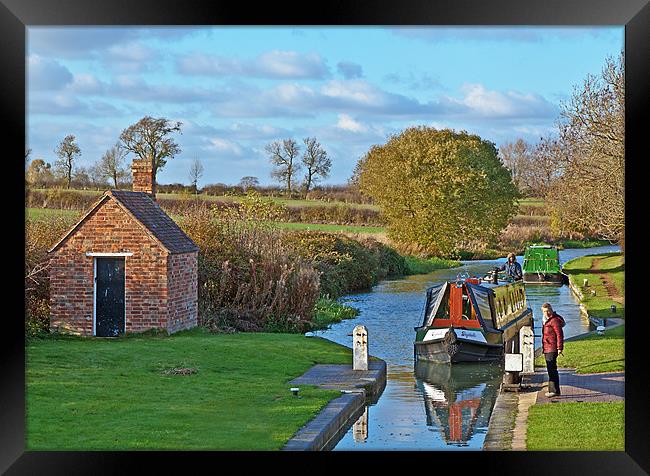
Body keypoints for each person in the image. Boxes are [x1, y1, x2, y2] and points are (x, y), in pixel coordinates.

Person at [541, 303, 565, 397]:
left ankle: (554, 391)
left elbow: (559, 334)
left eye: (547, 311)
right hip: (547, 347)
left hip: (552, 347)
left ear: (551, 310)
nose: (546, 313)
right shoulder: (546, 320)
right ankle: (553, 390)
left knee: (552, 369)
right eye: (544, 311)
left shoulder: (554, 320)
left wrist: (559, 348)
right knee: (550, 369)